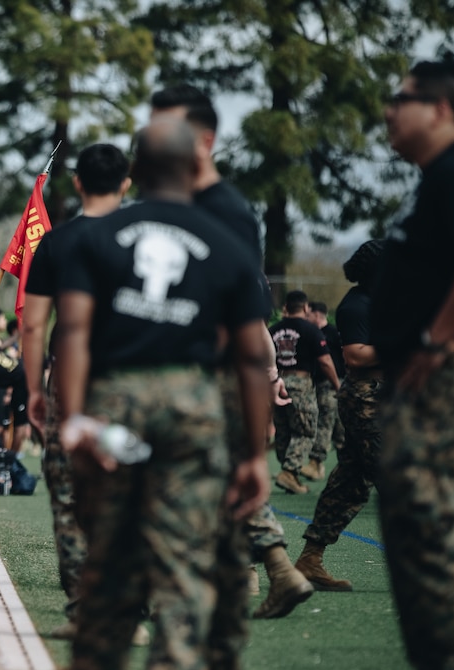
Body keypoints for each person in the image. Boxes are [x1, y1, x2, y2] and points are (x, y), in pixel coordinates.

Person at [8, 118, 271, 670]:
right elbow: (252, 353)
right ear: (194, 168)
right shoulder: (229, 241)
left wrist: (70, 415)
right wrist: (253, 451)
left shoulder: (95, 238)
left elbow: (69, 329)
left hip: (114, 401)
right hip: (195, 403)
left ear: (138, 173)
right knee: (183, 551)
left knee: (109, 544)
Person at [151, 83, 312, 621]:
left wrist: (263, 383)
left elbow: (245, 315)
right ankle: (266, 571)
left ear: (204, 140)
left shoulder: (226, 210)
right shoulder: (177, 203)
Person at [370, 56, 454, 670]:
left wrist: (439, 337)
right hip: (428, 379)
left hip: (441, 381)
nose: (389, 109)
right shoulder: (437, 177)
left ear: (440, 108)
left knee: (429, 530)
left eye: (400, 98)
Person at [20, 143, 131, 640]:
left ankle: (87, 608)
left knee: (69, 495)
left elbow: (33, 325)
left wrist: (34, 391)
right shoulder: (144, 239)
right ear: (125, 184)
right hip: (138, 383)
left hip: (73, 382)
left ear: (79, 184)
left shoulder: (58, 243)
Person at [295, 240, 385, 592]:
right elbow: (357, 356)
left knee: (349, 484)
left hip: (383, 397)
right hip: (366, 399)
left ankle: (309, 560)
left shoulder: (383, 302)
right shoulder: (355, 306)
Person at [270, 290, 339, 495]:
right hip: (300, 383)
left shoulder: (273, 330)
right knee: (306, 430)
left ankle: (289, 472)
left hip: (276, 382)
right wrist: (337, 384)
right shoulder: (310, 329)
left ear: (286, 307)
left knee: (283, 430)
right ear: (306, 307)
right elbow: (325, 361)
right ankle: (290, 472)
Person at [304, 300, 346, 480]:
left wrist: (340, 383)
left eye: (308, 313)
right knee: (339, 428)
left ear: (317, 314)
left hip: (334, 385)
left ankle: (316, 463)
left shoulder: (334, 333)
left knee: (325, 422)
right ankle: (349, 468)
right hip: (319, 385)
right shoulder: (312, 333)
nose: (306, 316)